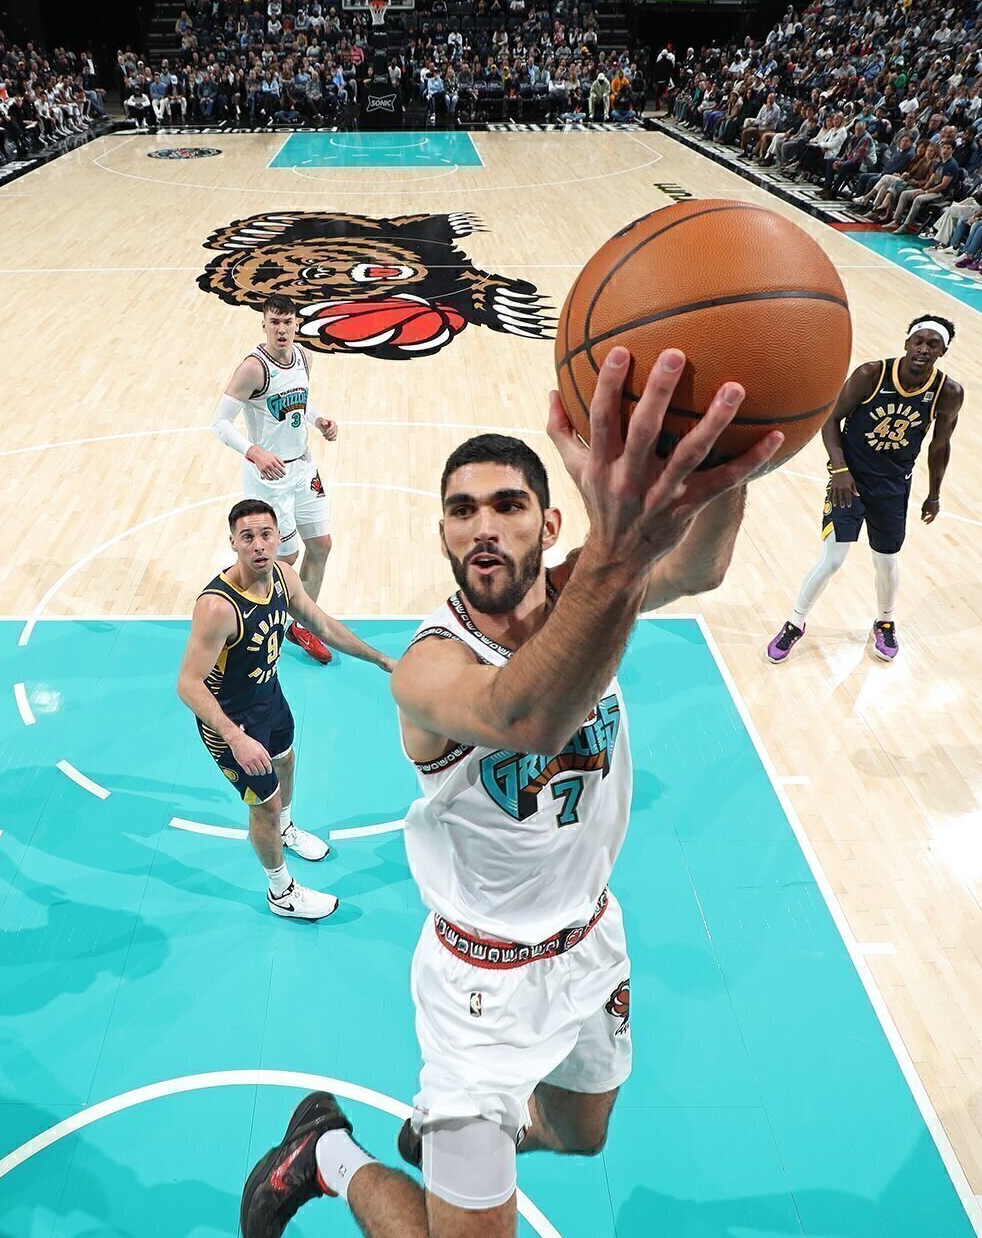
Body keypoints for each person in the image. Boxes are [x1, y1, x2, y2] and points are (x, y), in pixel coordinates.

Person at [240, 347, 783, 1237]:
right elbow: (530, 714)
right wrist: (621, 554)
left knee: (580, 1138)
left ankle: (467, 1148)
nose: (482, 527)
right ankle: (327, 1158)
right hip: (478, 988)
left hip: (591, 942)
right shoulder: (427, 668)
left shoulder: (588, 590)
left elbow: (703, 567)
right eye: (461, 511)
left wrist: (720, 452)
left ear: (550, 519)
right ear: (444, 534)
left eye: (507, 505)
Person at [177, 500, 391, 922]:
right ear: (233, 543)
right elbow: (187, 683)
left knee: (286, 763)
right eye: (248, 537)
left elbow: (322, 624)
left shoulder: (282, 576)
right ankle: (281, 891)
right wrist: (235, 738)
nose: (259, 545)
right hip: (232, 720)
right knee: (264, 806)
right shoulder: (218, 607)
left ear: (278, 537)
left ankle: (287, 830)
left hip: (269, 697)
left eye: (266, 535)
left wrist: (380, 659)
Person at [766, 315, 965, 664]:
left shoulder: (948, 392)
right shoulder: (871, 374)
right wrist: (840, 469)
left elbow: (940, 445)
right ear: (906, 343)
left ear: (943, 351)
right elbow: (830, 418)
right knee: (833, 559)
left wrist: (934, 494)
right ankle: (794, 623)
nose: (923, 349)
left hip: (892, 486)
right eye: (919, 340)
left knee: (886, 561)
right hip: (850, 481)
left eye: (933, 344)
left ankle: (885, 623)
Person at [211, 294, 341, 664]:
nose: (281, 329)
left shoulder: (304, 357)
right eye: (274, 322)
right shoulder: (253, 368)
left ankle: (300, 624)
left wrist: (319, 420)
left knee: (322, 545)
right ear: (264, 325)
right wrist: (254, 451)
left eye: (287, 322)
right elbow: (218, 423)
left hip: (302, 468)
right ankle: (247, 618)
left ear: (296, 323)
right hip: (268, 478)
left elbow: (299, 401)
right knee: (283, 556)